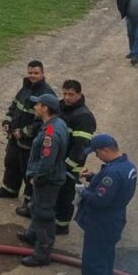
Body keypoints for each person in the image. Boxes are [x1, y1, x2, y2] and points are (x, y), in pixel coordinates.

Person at [70, 134, 138, 275]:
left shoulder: (112, 173)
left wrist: (83, 191)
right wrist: (93, 177)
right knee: (106, 261)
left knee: (94, 264)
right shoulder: (126, 166)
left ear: (106, 150)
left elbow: (100, 200)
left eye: (98, 153)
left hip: (101, 223)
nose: (97, 156)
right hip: (113, 221)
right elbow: (111, 189)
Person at [0, 60, 55, 214]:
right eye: (30, 72)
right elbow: (14, 106)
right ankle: (9, 189)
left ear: (42, 74)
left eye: (36, 73)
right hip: (15, 137)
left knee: (29, 171)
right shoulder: (25, 88)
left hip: (30, 142)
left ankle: (29, 201)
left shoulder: (47, 94)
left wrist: (24, 132)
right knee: (11, 163)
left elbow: (45, 122)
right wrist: (7, 121)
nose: (32, 76)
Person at [17, 93, 69, 267]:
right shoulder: (57, 124)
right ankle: (33, 234)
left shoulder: (50, 134)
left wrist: (36, 177)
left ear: (45, 108)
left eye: (37, 105)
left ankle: (42, 252)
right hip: (52, 176)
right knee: (36, 206)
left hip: (48, 179)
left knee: (43, 213)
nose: (34, 107)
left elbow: (46, 161)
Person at [55, 80, 97, 235]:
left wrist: (67, 167)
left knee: (66, 194)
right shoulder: (61, 107)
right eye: (64, 93)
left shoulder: (84, 117)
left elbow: (81, 147)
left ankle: (62, 225)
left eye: (71, 94)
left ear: (79, 94)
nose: (66, 98)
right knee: (56, 193)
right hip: (58, 161)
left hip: (70, 166)